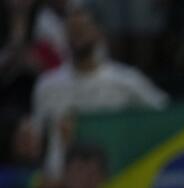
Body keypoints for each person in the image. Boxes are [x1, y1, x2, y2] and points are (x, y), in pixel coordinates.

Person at [30, 2, 166, 177]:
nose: (77, 35)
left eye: (83, 28)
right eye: (72, 30)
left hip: (114, 179)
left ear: (99, 32)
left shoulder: (127, 81)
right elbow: (35, 140)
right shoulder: (47, 85)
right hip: (59, 182)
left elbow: (164, 114)